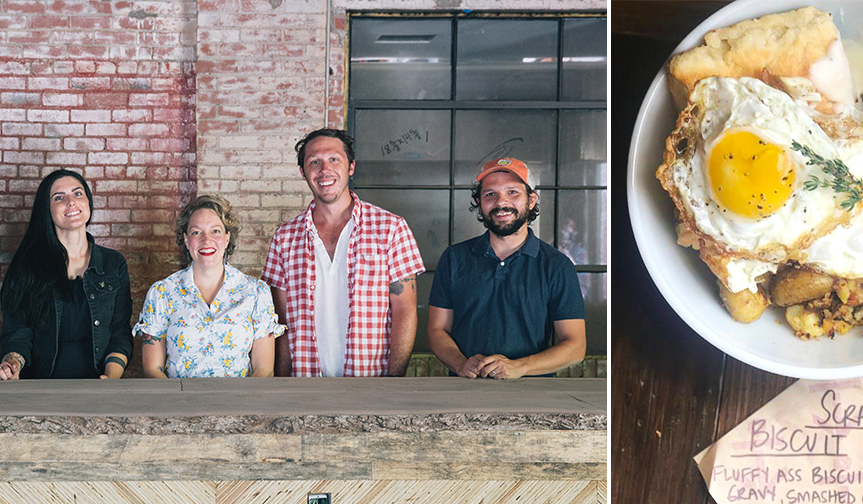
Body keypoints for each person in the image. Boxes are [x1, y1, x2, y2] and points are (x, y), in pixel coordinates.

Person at [261, 128, 424, 377]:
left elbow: (405, 310)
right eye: (314, 162)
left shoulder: (391, 228)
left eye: (334, 159)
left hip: (370, 385)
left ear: (351, 166)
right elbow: (280, 321)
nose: (324, 169)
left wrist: (395, 381)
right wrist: (282, 385)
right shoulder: (284, 238)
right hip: (304, 384)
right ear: (303, 172)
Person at [427, 157, 586, 379]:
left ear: (531, 200)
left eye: (513, 192)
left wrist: (520, 367)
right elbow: (437, 330)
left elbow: (576, 347)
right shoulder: (454, 258)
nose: (501, 203)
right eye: (490, 194)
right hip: (463, 393)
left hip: (534, 400)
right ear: (480, 203)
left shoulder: (557, 265)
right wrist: (461, 364)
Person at [0, 169, 133, 380]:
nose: (71, 202)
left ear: (88, 202)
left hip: (99, 386)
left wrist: (110, 379)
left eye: (78, 193)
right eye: (59, 197)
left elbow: (120, 332)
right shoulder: (27, 265)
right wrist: (11, 365)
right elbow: (18, 333)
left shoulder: (113, 263)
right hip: (40, 388)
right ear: (46, 209)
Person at [134, 194, 285, 377]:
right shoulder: (161, 293)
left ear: (227, 238)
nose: (206, 240)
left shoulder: (256, 292)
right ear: (187, 240)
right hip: (179, 402)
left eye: (215, 231)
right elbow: (153, 369)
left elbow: (264, 369)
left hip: (239, 401)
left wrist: (242, 403)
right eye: (196, 232)